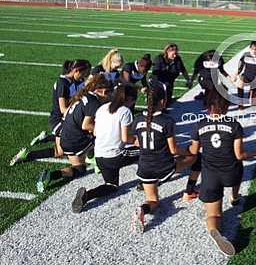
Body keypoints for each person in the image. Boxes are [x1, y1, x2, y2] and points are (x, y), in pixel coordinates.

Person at [189, 89, 256, 256]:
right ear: (226, 106)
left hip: (210, 175)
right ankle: (234, 197)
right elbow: (239, 155)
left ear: (208, 106)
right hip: (231, 173)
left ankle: (215, 230)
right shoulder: (234, 125)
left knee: (214, 214)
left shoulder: (199, 124)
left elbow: (193, 151)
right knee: (238, 167)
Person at [131, 81, 201, 233]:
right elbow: (174, 149)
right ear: (162, 101)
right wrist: (190, 150)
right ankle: (189, 191)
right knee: (196, 157)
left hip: (144, 168)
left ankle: (142, 209)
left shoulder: (137, 119)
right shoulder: (166, 120)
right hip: (162, 167)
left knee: (153, 201)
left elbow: (136, 141)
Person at [71, 82, 141, 213]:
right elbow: (126, 139)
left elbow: (96, 132)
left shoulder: (102, 108)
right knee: (144, 151)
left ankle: (87, 196)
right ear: (130, 99)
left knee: (112, 186)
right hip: (114, 156)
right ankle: (145, 182)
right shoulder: (125, 112)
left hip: (100, 156)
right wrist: (139, 141)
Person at [36, 74, 110, 193]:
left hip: (66, 138)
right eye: (108, 93)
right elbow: (86, 125)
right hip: (75, 141)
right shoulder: (94, 102)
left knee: (80, 169)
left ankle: (51, 175)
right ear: (101, 91)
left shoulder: (82, 95)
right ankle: (97, 161)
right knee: (105, 135)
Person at [10, 60, 91, 166]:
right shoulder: (62, 83)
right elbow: (63, 109)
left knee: (59, 152)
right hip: (58, 120)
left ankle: (27, 154)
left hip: (66, 119)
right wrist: (78, 110)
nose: (83, 77)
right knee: (82, 138)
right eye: (83, 74)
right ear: (76, 71)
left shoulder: (73, 81)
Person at [233, 41, 256, 108]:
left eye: (255, 49)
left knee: (253, 102)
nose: (253, 51)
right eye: (252, 49)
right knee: (239, 82)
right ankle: (240, 103)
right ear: (249, 49)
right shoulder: (245, 55)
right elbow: (240, 67)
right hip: (246, 76)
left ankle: (252, 93)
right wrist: (235, 75)